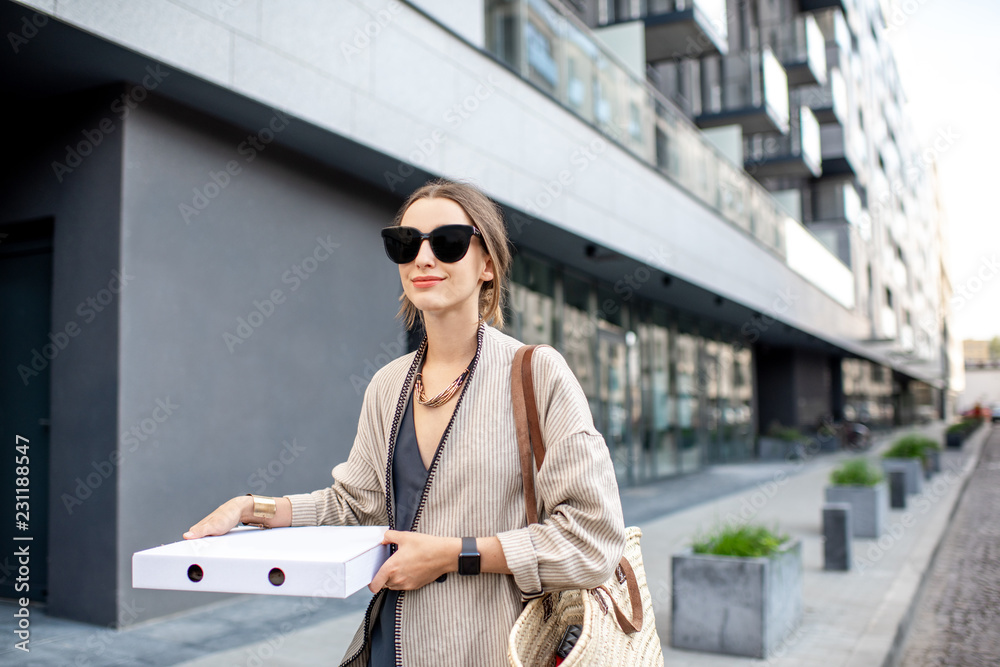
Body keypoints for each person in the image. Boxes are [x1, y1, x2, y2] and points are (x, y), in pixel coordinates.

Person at [184, 178, 626, 666]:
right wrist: (252, 508)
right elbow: (354, 506)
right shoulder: (388, 385)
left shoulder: (537, 373)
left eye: (449, 243)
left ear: (487, 265)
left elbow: (592, 540)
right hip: (386, 646)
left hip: (489, 649)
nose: (424, 258)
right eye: (406, 243)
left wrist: (456, 554)